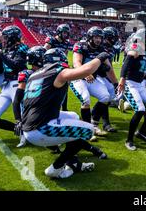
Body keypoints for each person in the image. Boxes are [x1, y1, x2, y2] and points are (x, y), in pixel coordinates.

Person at [21, 48, 109, 179]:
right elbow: (86, 71)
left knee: (73, 116)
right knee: (88, 130)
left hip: (30, 123)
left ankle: (72, 160)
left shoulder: (35, 75)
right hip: (40, 129)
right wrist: (101, 56)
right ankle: (55, 168)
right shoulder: (55, 71)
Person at [70, 27, 117, 140]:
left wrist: (116, 83)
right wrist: (85, 73)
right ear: (90, 37)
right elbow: (76, 62)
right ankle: (87, 130)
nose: (98, 40)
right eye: (96, 37)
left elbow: (109, 69)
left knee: (106, 96)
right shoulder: (81, 45)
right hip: (78, 78)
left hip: (92, 79)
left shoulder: (101, 49)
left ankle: (93, 124)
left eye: (100, 37)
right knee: (86, 100)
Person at [0, 26, 28, 131]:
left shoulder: (22, 48)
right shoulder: (7, 48)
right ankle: (20, 131)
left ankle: (31, 134)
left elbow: (15, 65)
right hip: (6, 86)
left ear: (12, 38)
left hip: (19, 85)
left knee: (24, 118)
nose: (3, 40)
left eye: (5, 37)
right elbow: (3, 64)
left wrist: (0, 53)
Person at [13, 46, 46, 148]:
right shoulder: (26, 74)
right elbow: (17, 100)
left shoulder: (48, 72)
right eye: (43, 57)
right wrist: (18, 119)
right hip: (29, 109)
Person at [44, 24, 72, 111]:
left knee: (64, 87)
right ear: (59, 32)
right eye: (64, 33)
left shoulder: (66, 43)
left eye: (67, 33)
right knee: (49, 87)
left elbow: (65, 57)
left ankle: (64, 108)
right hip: (50, 67)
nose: (66, 35)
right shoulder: (51, 40)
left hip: (60, 67)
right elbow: (44, 52)